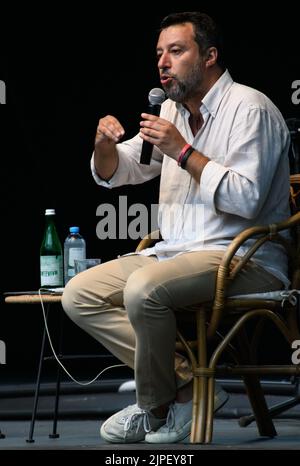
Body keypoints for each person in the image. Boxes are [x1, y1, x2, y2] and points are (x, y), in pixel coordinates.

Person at [62, 11, 291, 444]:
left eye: (176, 51)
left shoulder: (250, 108)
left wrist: (182, 151)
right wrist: (103, 146)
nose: (163, 62)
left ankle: (153, 406)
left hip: (244, 256)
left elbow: (246, 199)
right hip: (178, 254)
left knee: (144, 289)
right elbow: (121, 170)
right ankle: (183, 389)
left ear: (209, 56)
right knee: (79, 295)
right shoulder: (171, 109)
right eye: (159, 53)